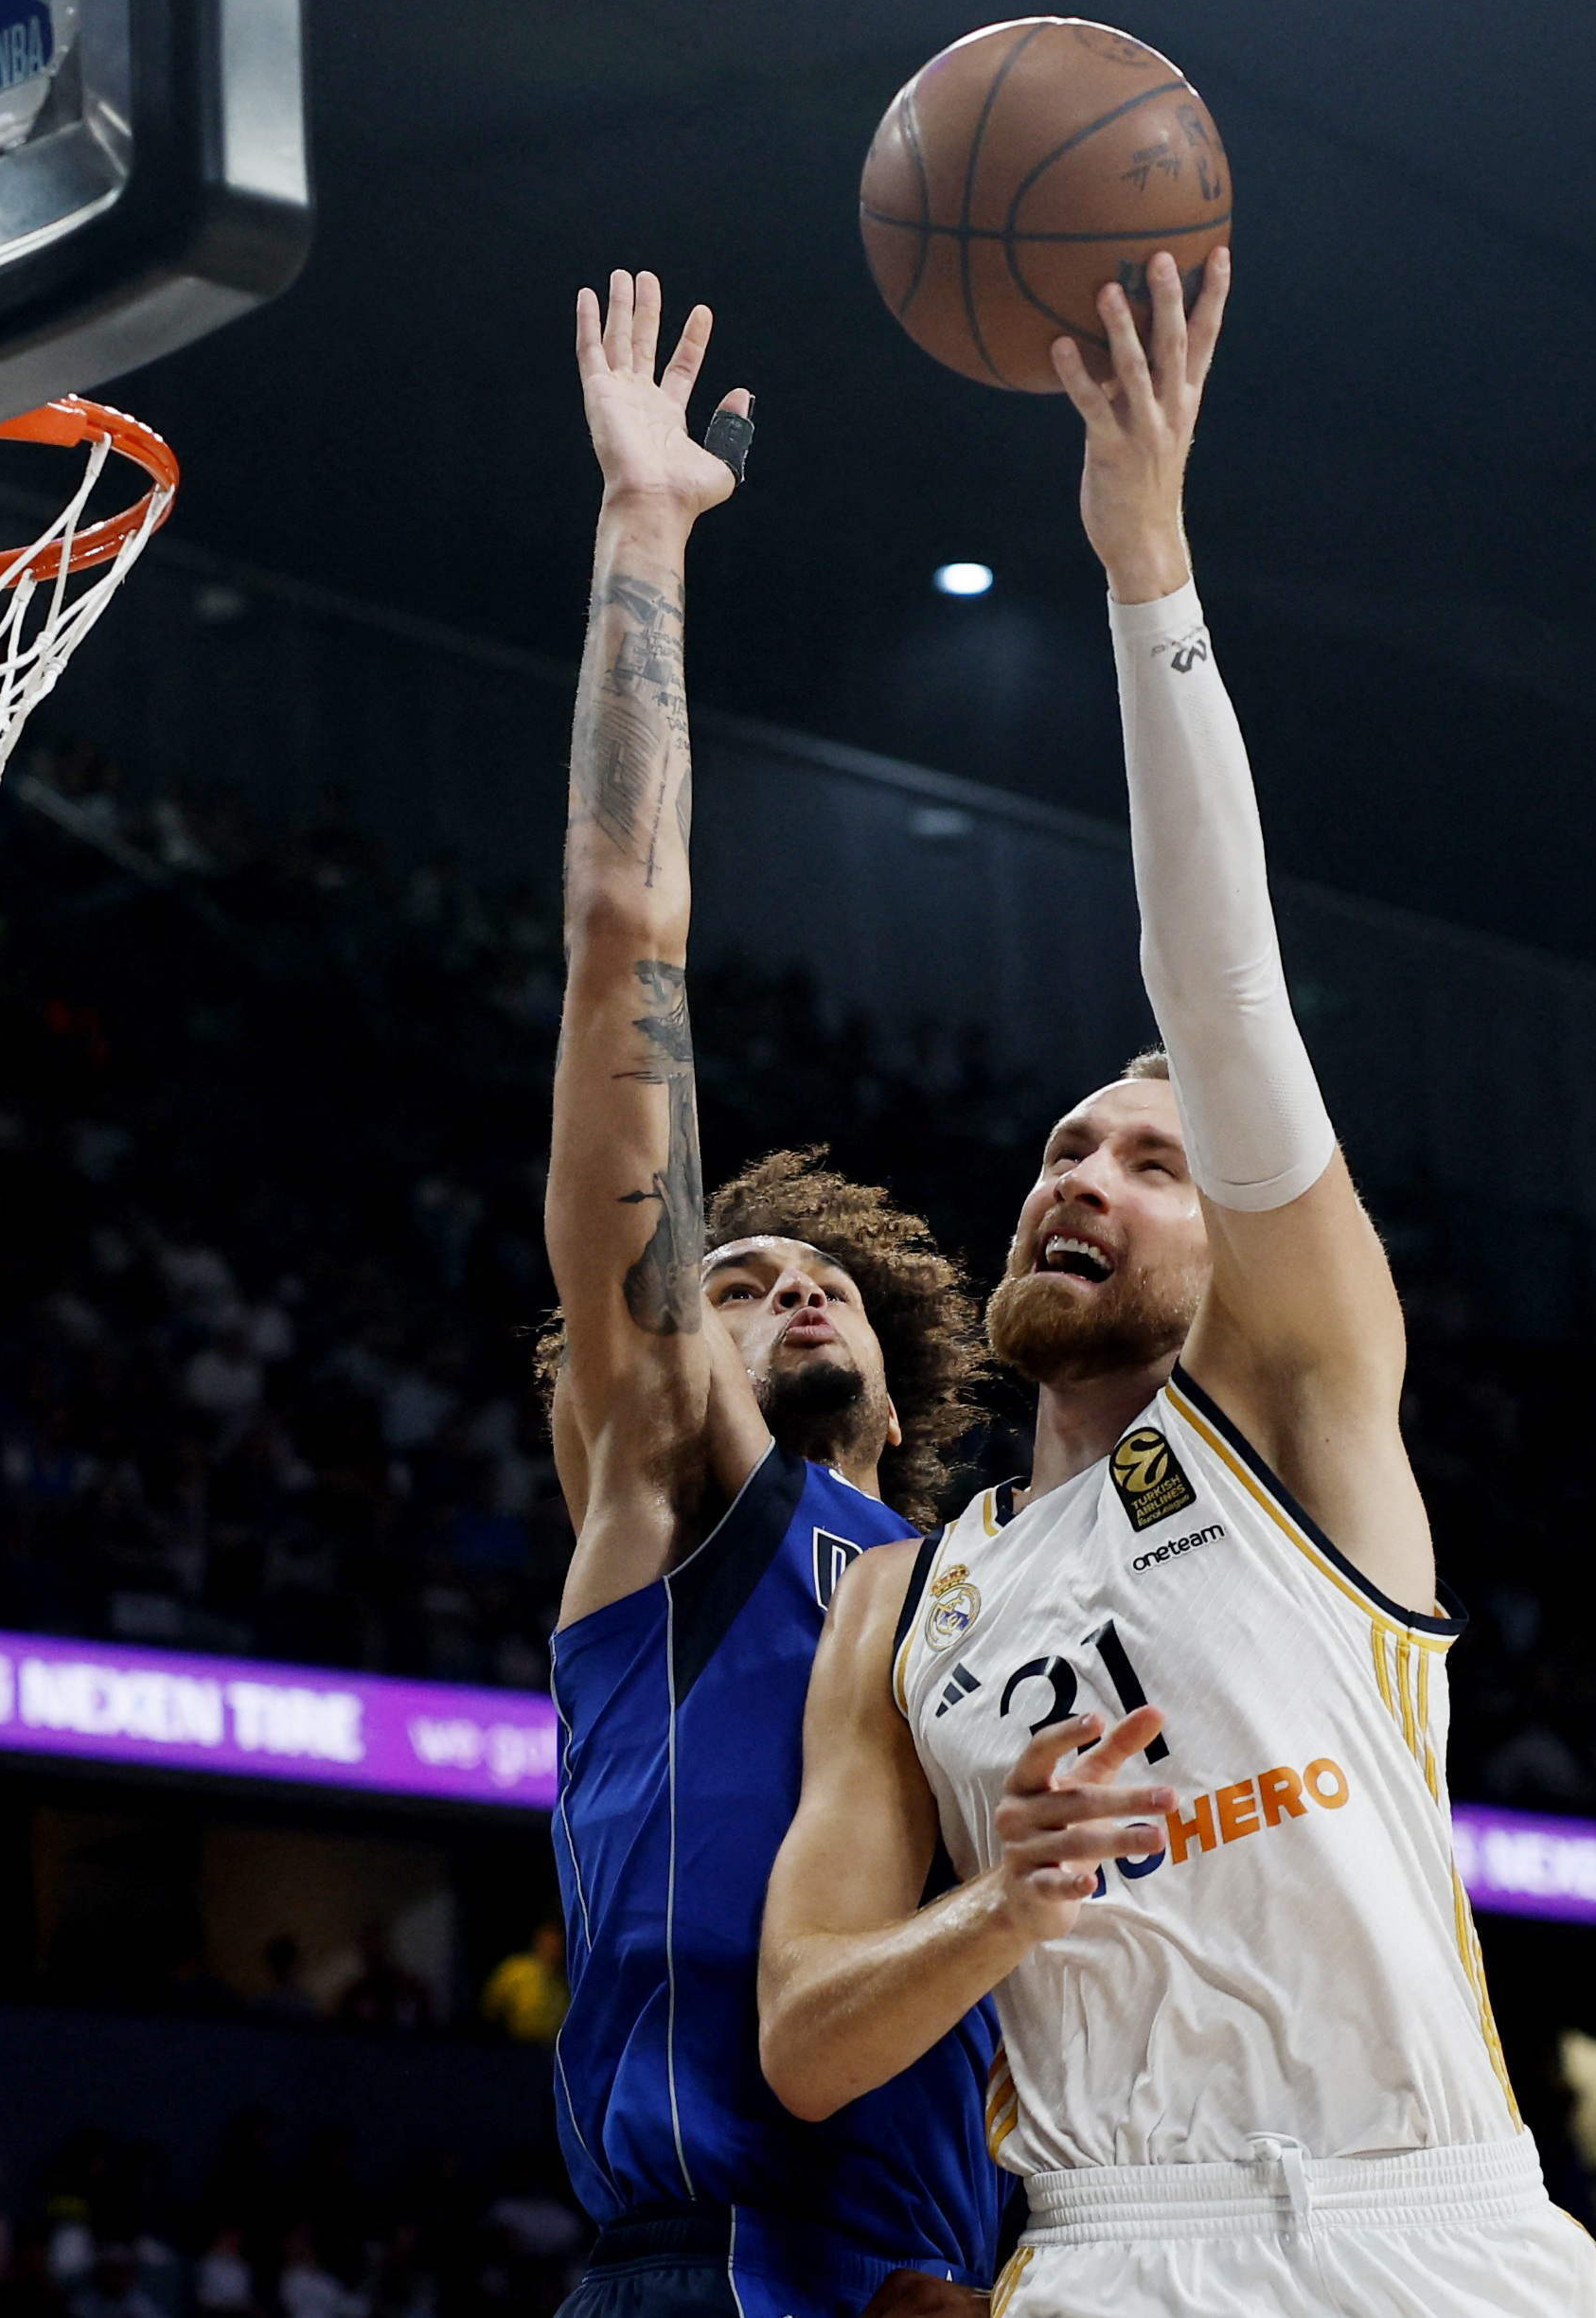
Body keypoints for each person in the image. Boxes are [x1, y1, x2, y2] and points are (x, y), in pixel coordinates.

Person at [755, 249, 1596, 2318]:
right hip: (1121, 2248)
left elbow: (1216, 993)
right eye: (1058, 1146)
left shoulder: (1302, 1404)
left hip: (1431, 2225)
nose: (1085, 1171)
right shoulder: (897, 1596)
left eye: (1149, 1156)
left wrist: (1144, 561)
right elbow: (809, 2030)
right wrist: (998, 1907)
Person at [538, 270, 1003, 2318]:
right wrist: (646, 528)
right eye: (730, 1278)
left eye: (821, 1277)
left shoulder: (974, 1582)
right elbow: (625, 938)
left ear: (901, 1401)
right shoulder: (684, 1504)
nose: (786, 1281)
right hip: (705, 2266)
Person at [474, 1922, 568, 2045]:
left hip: (551, 2048)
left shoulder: (565, 1979)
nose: (554, 1947)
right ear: (539, 1940)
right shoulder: (514, 1970)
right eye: (550, 1940)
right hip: (514, 2047)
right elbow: (489, 2011)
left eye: (558, 1942)